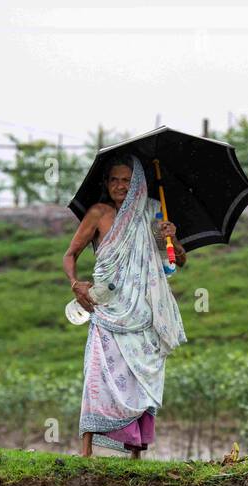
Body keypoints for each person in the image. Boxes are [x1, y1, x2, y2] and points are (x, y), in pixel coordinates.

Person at [62, 157, 187, 458]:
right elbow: (70, 254)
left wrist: (171, 238)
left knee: (138, 377)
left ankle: (135, 452)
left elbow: (177, 262)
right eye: (115, 180)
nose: (120, 186)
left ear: (138, 185)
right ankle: (87, 448)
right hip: (107, 309)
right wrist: (74, 283)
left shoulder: (154, 214)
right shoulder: (98, 213)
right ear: (106, 184)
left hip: (143, 313)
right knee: (97, 374)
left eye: (127, 181)